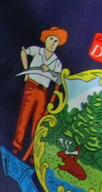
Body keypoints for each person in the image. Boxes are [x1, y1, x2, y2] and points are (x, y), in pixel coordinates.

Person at [12, 26, 68, 161]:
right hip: (31, 86)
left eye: (56, 41)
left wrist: (49, 71)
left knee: (38, 123)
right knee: (24, 116)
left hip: (43, 92)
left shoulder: (56, 62)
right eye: (51, 39)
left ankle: (33, 152)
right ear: (45, 39)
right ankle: (17, 145)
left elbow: (59, 79)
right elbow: (23, 52)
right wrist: (26, 70)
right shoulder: (38, 51)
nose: (52, 43)